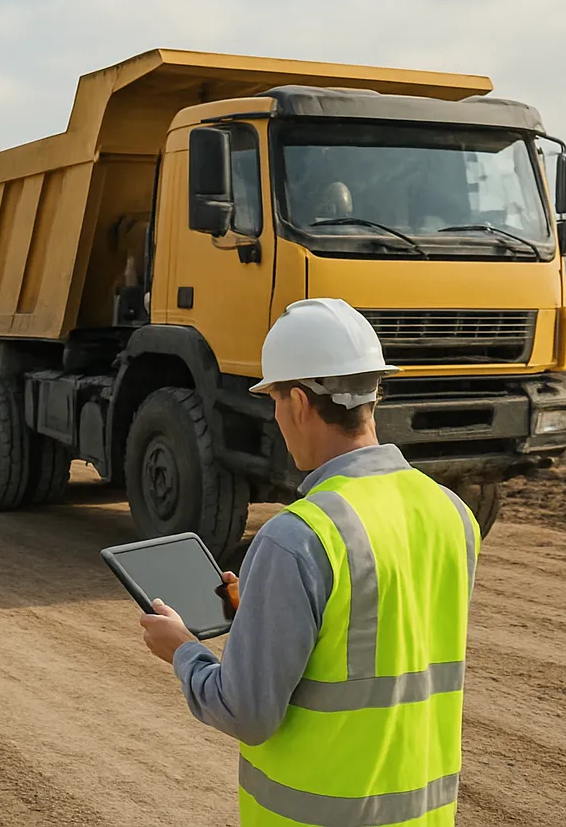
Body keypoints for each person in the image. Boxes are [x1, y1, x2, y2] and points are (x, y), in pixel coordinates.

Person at [139, 297, 479, 827]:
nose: (276, 417)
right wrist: (262, 612)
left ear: (298, 401)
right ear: (372, 393)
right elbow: (374, 633)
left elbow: (246, 711)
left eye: (274, 400)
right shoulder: (450, 512)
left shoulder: (296, 538)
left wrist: (182, 651)